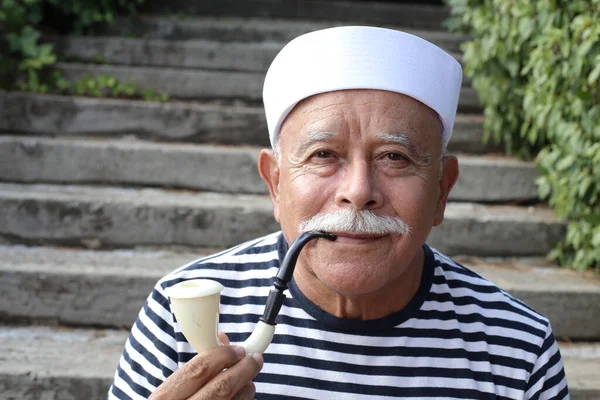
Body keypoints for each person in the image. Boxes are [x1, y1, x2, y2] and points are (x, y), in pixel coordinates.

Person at [109, 26, 568, 400]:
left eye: (395, 158)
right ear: (274, 183)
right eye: (324, 155)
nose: (358, 192)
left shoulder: (517, 346)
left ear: (442, 191)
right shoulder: (183, 312)